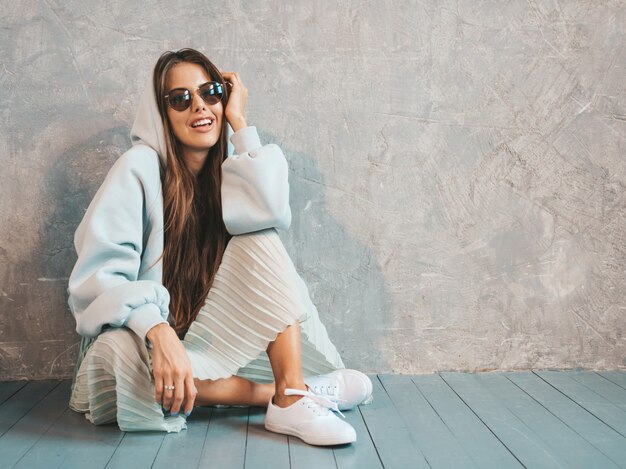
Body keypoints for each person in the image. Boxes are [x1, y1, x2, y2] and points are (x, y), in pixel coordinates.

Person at [67, 48, 372, 446]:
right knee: (121, 360)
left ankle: (290, 392)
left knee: (259, 236)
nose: (199, 106)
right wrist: (158, 332)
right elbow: (98, 279)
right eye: (180, 99)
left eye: (210, 92)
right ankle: (289, 395)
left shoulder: (228, 172)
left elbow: (270, 214)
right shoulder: (137, 168)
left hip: (203, 344)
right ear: (162, 113)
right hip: (142, 340)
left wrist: (240, 122)